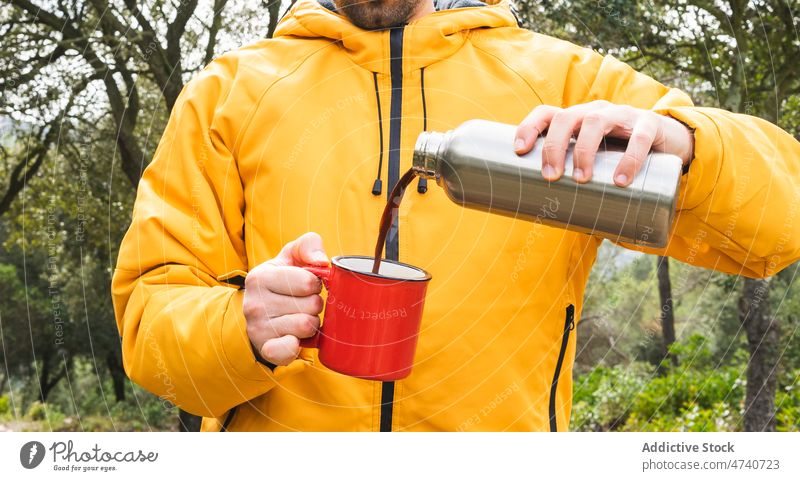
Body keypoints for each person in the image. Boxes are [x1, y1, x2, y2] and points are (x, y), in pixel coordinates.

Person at [111, 0, 800, 431]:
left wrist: (687, 145)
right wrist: (240, 328)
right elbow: (148, 320)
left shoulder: (562, 83)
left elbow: (780, 224)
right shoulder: (227, 94)